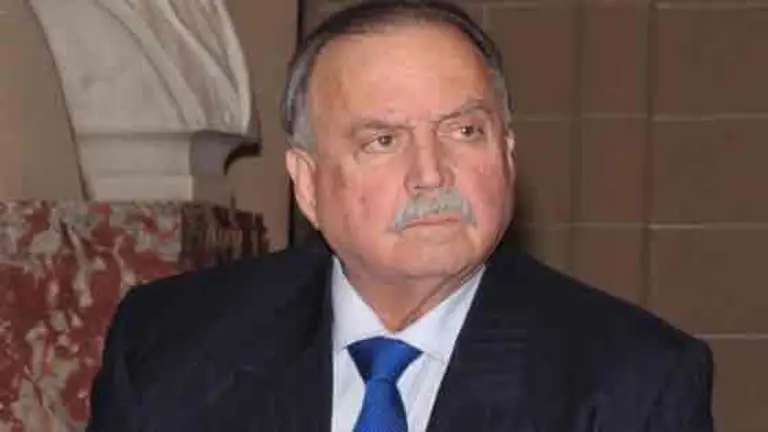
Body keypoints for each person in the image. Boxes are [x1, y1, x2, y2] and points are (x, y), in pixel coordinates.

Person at [87, 1, 714, 431]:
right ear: (307, 183)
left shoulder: (633, 382)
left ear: (507, 154)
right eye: (383, 140)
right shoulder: (169, 345)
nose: (431, 173)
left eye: (464, 131)